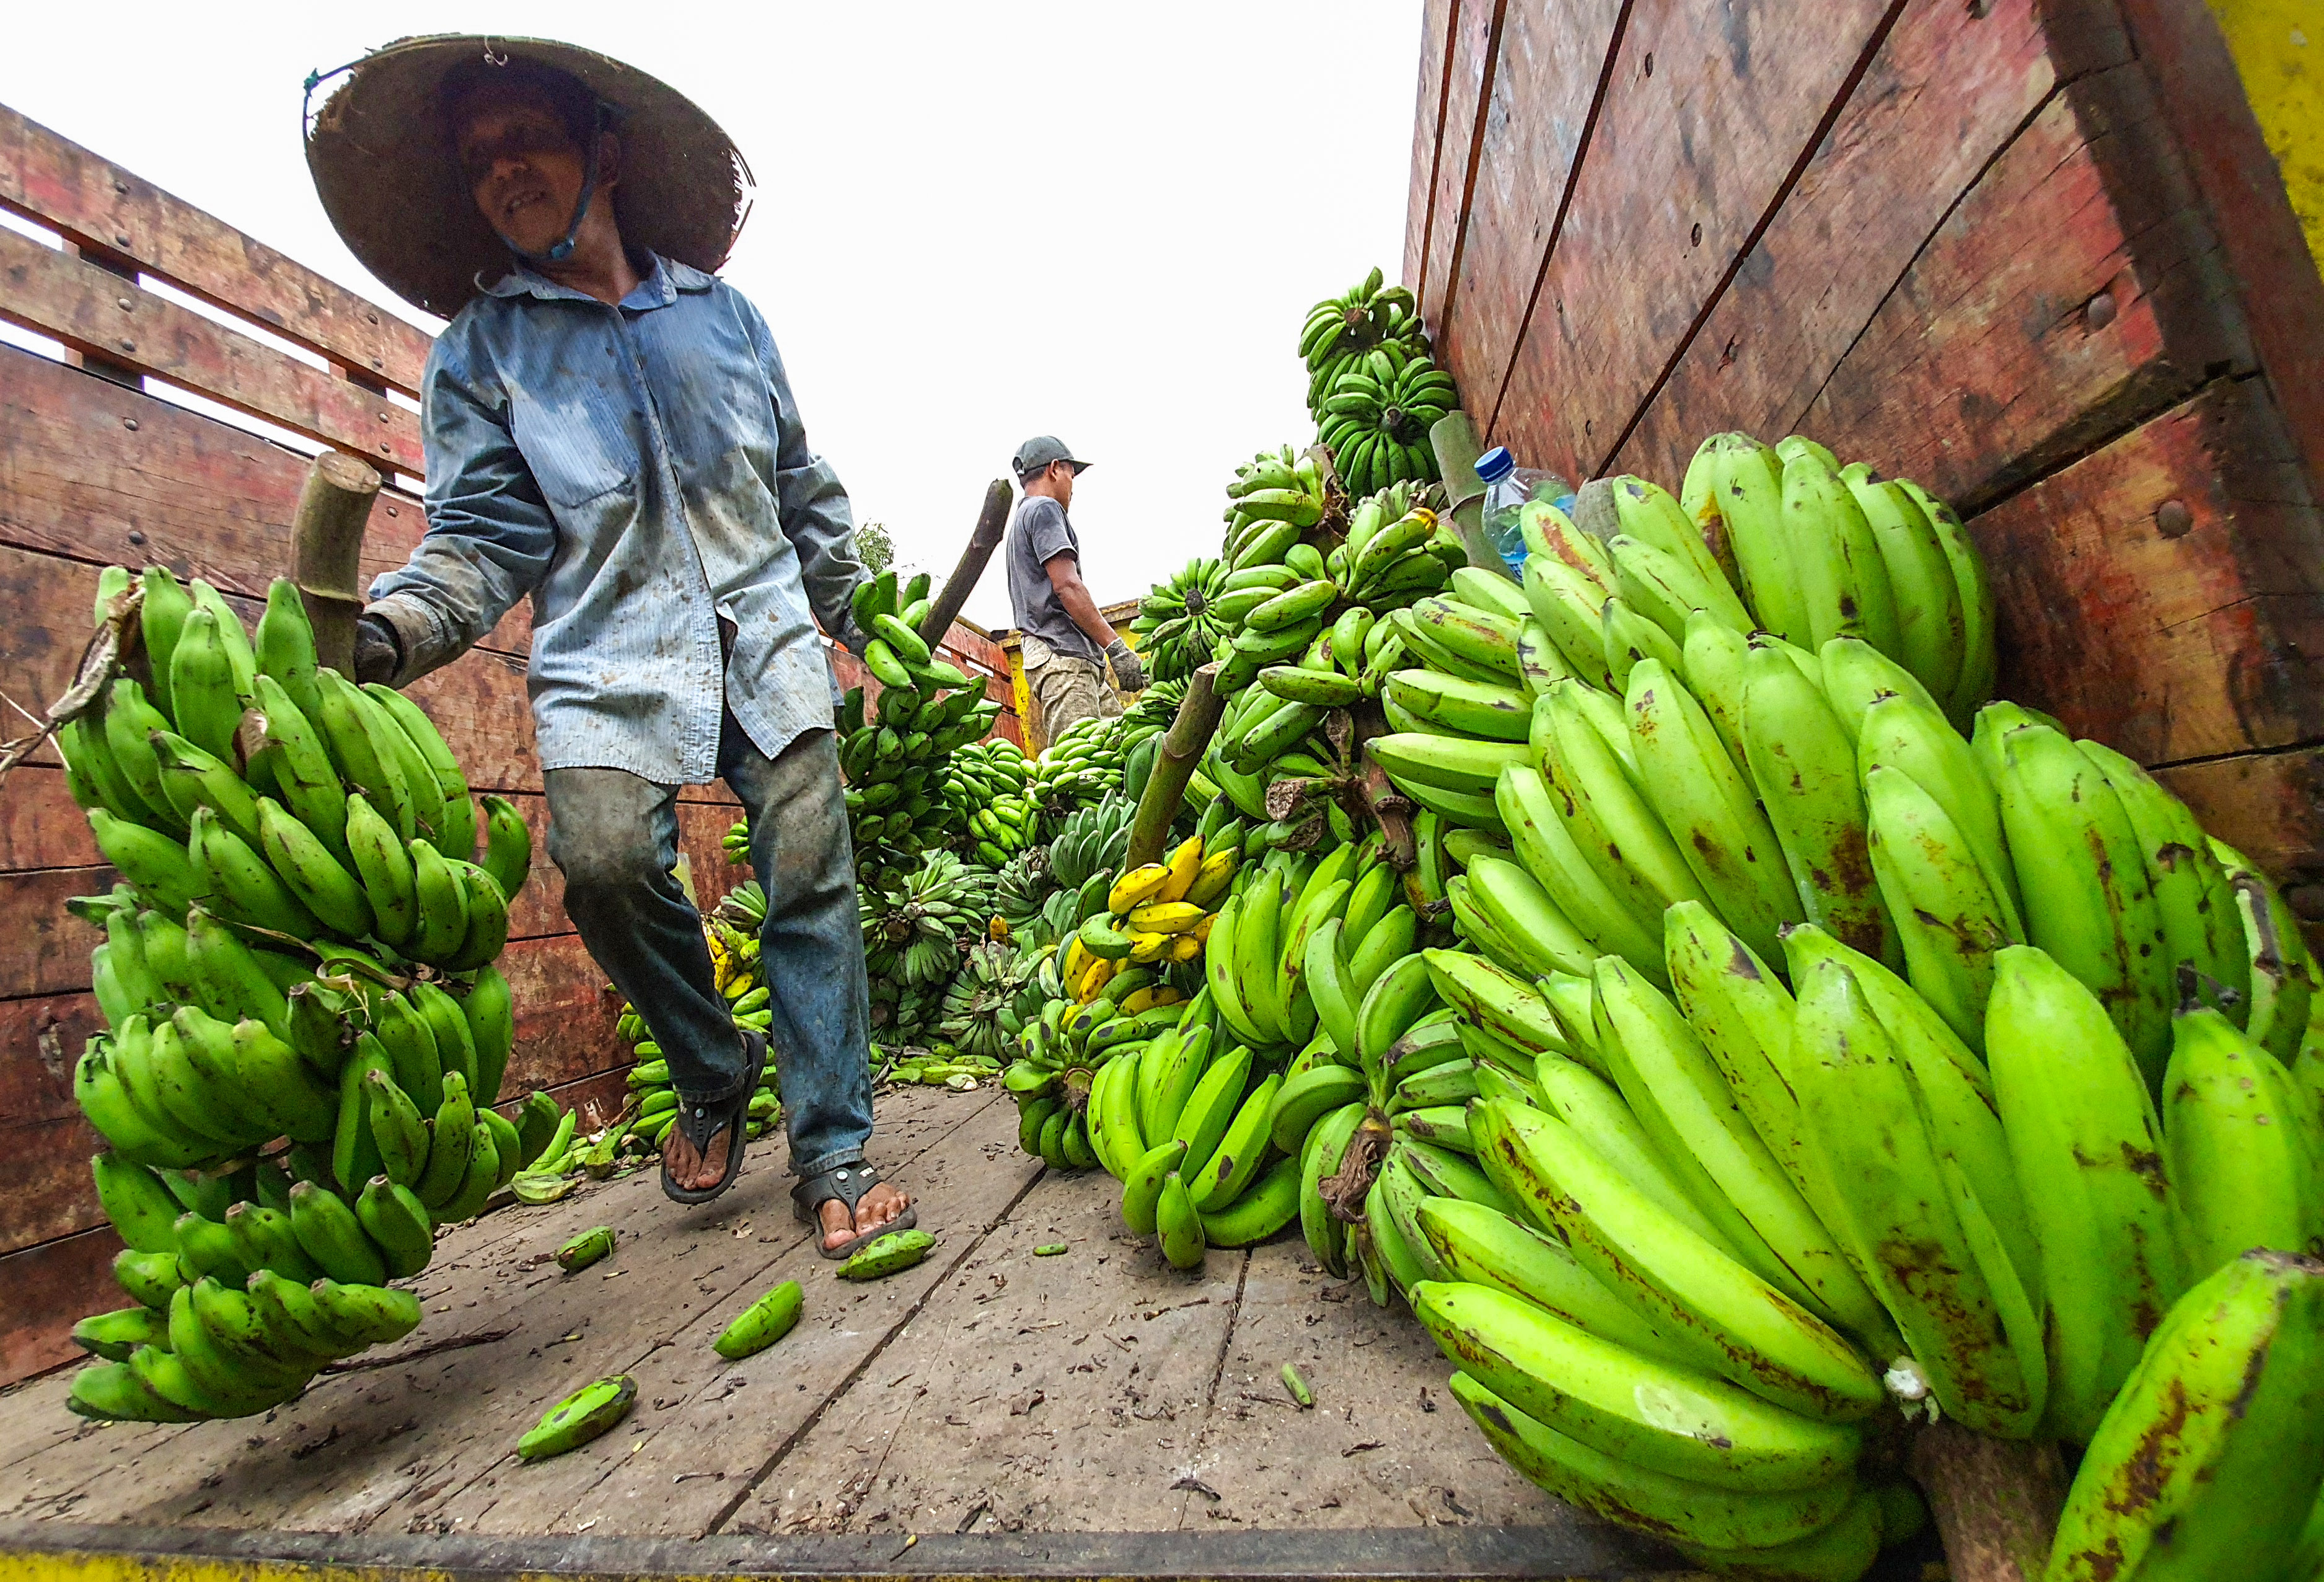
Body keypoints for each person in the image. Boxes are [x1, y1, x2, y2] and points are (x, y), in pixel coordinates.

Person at [302, 35, 910, 1253]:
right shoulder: (483, 356)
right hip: (607, 652)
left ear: (607, 153)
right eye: (481, 160)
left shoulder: (727, 321)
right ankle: (713, 1065)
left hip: (764, 630)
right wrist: (393, 630)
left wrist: (859, 623)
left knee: (810, 870)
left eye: (526, 137)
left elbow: (802, 489)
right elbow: (480, 536)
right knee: (600, 868)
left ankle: (834, 1145)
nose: (506, 170)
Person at [1003, 436, 1145, 743]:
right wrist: (1116, 647)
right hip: (1062, 657)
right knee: (1079, 772)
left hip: (1075, 658)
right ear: (1054, 469)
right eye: (1071, 473)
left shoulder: (1022, 519)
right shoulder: (1044, 510)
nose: (1073, 484)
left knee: (1122, 753)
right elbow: (1067, 586)